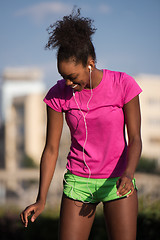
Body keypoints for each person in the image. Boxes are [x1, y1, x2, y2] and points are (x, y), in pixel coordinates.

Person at [20, 8, 142, 240]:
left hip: (118, 181)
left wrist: (128, 173)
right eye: (63, 76)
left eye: (73, 77)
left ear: (90, 63)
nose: (68, 82)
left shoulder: (123, 84)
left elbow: (135, 138)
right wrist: (41, 198)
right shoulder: (57, 94)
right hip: (78, 182)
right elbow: (51, 149)